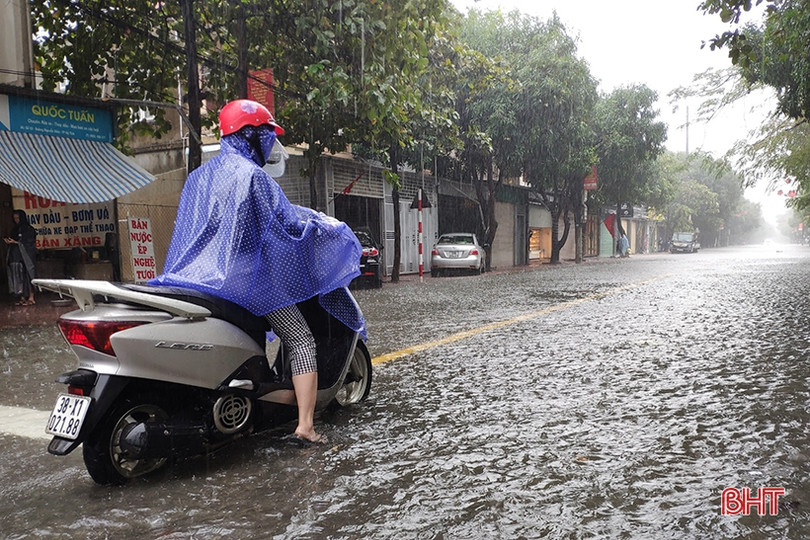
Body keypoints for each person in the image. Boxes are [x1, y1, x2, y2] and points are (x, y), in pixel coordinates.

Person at [150, 99, 363, 443]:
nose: (270, 143)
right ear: (250, 135)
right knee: (301, 338)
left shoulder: (199, 178)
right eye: (267, 135)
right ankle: (306, 426)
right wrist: (327, 228)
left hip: (195, 277)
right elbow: (288, 226)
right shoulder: (253, 177)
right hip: (245, 280)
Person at [4, 210, 37, 306]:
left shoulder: (29, 229)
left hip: (27, 256)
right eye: (14, 218)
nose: (16, 220)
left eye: (18, 218)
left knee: (29, 276)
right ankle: (22, 297)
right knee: (19, 277)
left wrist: (17, 242)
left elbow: (30, 243)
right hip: (17, 257)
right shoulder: (14, 229)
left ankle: (31, 297)